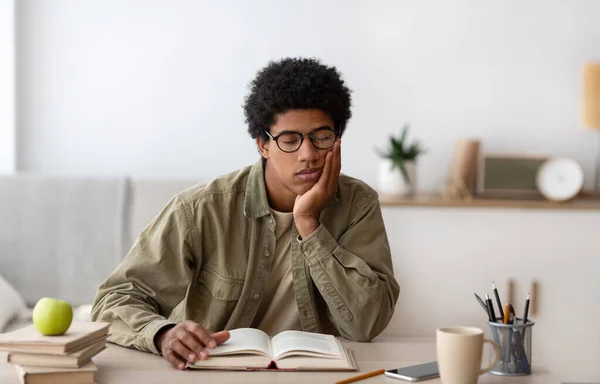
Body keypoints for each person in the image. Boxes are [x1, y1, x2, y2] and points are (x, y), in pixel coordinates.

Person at [91, 57, 400, 370]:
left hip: (313, 374)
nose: (308, 155)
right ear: (263, 145)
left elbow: (367, 324)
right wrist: (163, 334)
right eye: (290, 140)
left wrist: (309, 224)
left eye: (321, 137)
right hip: (212, 373)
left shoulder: (358, 204)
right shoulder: (202, 209)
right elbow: (114, 300)